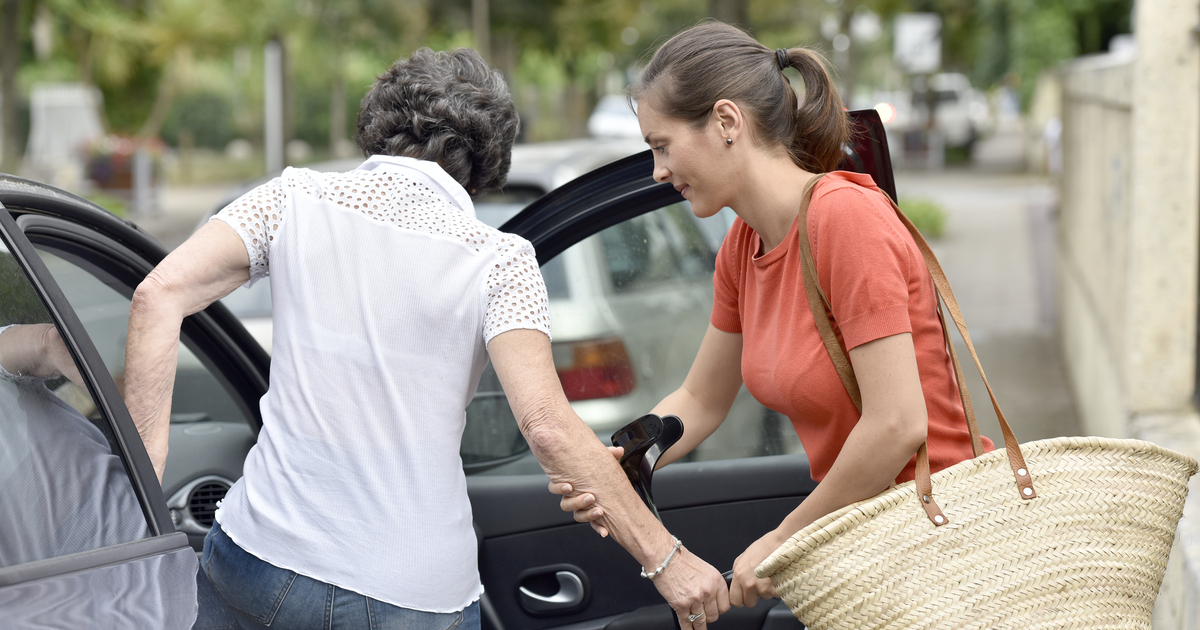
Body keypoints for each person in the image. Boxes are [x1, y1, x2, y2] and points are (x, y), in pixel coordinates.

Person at [123, 48, 728, 630]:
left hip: (261, 563)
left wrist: (142, 491)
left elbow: (157, 296)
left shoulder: (291, 200)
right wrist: (665, 559)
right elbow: (546, 426)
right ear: (487, 159)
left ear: (379, 123)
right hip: (414, 597)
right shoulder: (499, 261)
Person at [554, 21, 995, 611]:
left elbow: (897, 424)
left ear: (727, 122)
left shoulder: (846, 221)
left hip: (939, 545)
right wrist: (620, 462)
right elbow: (701, 400)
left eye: (662, 145)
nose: (658, 171)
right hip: (863, 550)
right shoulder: (743, 246)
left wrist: (785, 539)